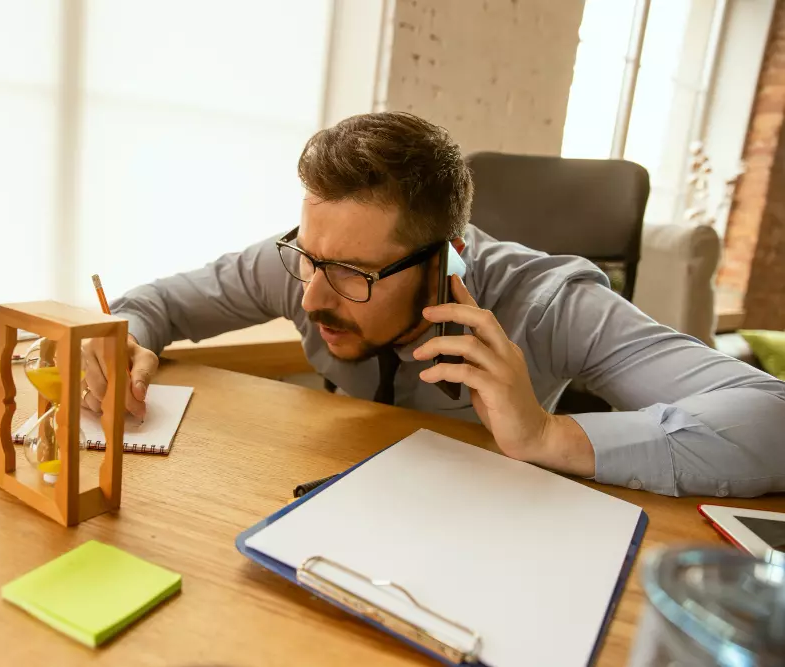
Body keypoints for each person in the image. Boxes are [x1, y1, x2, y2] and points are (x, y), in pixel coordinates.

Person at [82, 111, 785, 497]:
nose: (313, 295)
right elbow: (156, 302)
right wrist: (126, 338)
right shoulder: (308, 263)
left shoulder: (546, 303)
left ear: (444, 258)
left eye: (356, 272)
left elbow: (771, 417)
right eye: (310, 257)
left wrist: (547, 435)